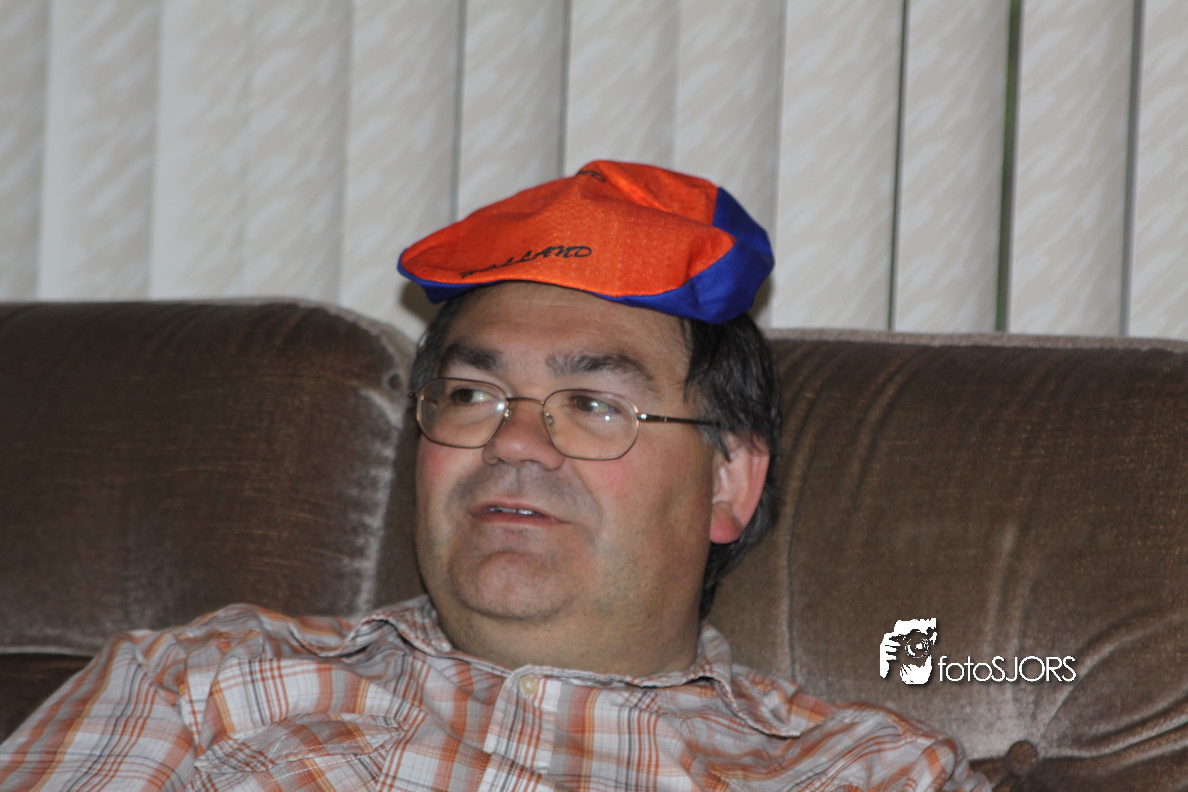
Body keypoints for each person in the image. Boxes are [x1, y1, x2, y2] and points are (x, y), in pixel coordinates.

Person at [0, 161, 988, 790]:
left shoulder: (874, 773)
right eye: (473, 395)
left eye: (592, 404)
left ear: (729, 478)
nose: (514, 441)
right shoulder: (199, 684)